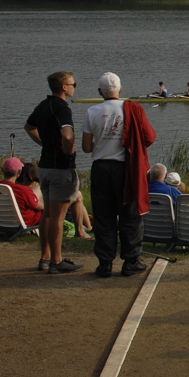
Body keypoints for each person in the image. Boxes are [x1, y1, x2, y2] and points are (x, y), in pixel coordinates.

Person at [83, 72, 156, 278]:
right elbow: (149, 137)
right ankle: (131, 261)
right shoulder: (133, 109)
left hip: (100, 168)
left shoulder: (92, 111)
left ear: (100, 92)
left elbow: (87, 147)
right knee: (130, 216)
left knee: (103, 216)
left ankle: (105, 264)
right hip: (126, 168)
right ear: (120, 90)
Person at [24, 71, 81, 274]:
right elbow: (67, 136)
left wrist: (44, 143)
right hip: (60, 168)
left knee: (47, 214)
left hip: (44, 167)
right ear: (64, 87)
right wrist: (68, 150)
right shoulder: (62, 108)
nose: (75, 86)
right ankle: (57, 261)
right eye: (73, 83)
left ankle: (45, 257)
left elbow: (29, 126)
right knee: (58, 216)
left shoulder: (43, 105)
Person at [0, 156, 42, 228]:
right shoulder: (22, 190)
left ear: (2, 170)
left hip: (0, 220)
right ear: (19, 172)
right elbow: (38, 206)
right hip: (24, 221)